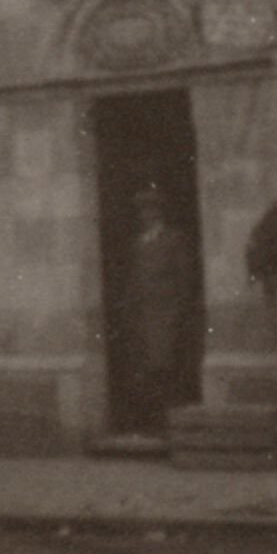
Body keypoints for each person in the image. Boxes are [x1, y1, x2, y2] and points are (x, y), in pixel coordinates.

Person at [121, 185, 198, 436]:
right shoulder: (138, 243)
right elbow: (133, 281)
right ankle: (151, 424)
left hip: (167, 314)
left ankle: (171, 425)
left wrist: (179, 311)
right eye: (142, 211)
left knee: (166, 368)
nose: (146, 215)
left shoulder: (173, 239)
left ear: (160, 213)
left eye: (151, 210)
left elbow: (184, 278)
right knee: (145, 370)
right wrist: (130, 311)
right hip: (143, 315)